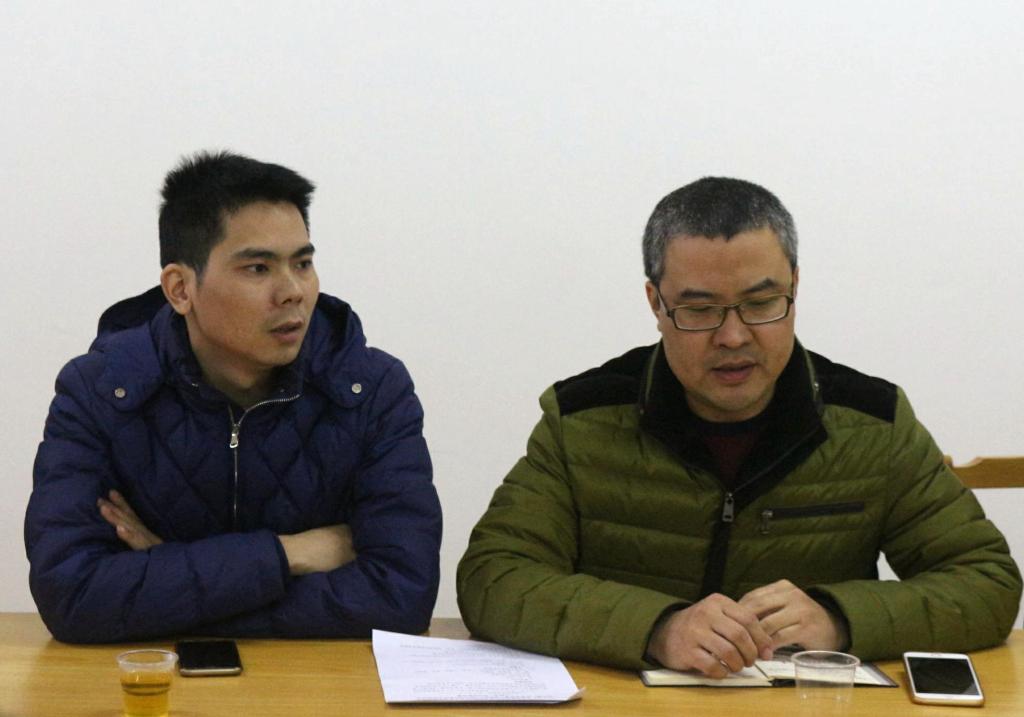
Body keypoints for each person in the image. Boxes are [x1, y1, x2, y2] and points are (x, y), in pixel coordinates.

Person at [457, 177, 1021, 676]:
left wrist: (839, 618)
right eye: (700, 310)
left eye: (761, 303)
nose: (733, 337)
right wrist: (657, 627)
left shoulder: (873, 424)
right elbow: (493, 577)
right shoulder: (582, 420)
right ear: (656, 303)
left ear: (795, 286)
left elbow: (985, 582)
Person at [25, 151, 442, 643]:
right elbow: (73, 597)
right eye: (258, 268)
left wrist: (169, 580)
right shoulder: (102, 392)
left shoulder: (370, 390)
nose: (293, 292)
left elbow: (401, 597)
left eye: (303, 263)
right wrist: (290, 554)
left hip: (317, 682)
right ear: (181, 289)